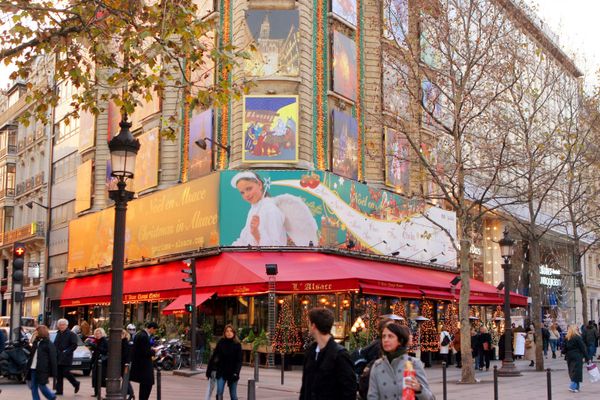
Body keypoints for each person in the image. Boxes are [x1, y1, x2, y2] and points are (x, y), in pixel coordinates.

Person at [230, 171, 317, 247]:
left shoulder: (270, 209)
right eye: (242, 192)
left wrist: (256, 233)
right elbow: (244, 239)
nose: (246, 195)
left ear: (259, 184)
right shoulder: (253, 210)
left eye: (249, 189)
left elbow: (275, 246)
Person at [300, 308, 357, 400]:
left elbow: (349, 390)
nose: (308, 327)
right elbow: (305, 388)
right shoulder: (310, 352)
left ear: (313, 326)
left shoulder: (340, 355)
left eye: (309, 323)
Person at [367, 323, 434, 400]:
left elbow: (430, 397)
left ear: (400, 341)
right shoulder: (377, 366)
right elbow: (372, 396)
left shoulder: (414, 363)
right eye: (383, 336)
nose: (385, 340)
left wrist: (419, 389)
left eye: (390, 336)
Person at [206, 324, 242, 400]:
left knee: (233, 395)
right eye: (227, 331)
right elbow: (214, 357)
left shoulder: (237, 345)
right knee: (219, 393)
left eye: (231, 331)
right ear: (224, 333)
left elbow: (239, 361)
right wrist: (209, 370)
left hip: (233, 373)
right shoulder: (221, 343)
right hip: (221, 371)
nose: (229, 333)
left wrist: (236, 372)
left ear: (234, 333)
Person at [26, 325, 57, 400]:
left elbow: (53, 358)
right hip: (33, 368)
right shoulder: (36, 342)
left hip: (43, 369)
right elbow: (31, 354)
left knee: (42, 386)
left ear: (40, 332)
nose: (35, 332)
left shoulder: (49, 344)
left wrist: (54, 372)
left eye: (36, 331)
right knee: (33, 387)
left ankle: (51, 397)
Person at [130, 321, 158, 400]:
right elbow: (145, 352)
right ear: (151, 328)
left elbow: (141, 349)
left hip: (141, 364)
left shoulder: (140, 334)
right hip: (144, 365)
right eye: (155, 330)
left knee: (144, 385)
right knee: (147, 384)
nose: (154, 332)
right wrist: (154, 351)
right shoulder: (144, 336)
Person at [53, 318, 80, 395]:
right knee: (59, 374)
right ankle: (59, 391)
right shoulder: (58, 333)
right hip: (58, 356)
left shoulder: (71, 334)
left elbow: (74, 345)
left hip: (66, 357)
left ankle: (75, 383)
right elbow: (55, 344)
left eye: (63, 325)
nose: (61, 326)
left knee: (66, 372)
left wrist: (67, 351)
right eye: (60, 325)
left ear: (66, 325)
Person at [564, 324, 589, 393]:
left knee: (572, 371)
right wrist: (587, 358)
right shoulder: (577, 337)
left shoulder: (567, 337)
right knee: (576, 371)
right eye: (577, 329)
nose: (578, 330)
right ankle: (572, 386)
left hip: (569, 356)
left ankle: (576, 387)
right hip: (577, 356)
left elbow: (564, 348)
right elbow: (583, 348)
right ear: (575, 330)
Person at [88, 328, 108, 397]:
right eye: (96, 333)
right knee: (95, 377)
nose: (97, 334)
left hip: (102, 362)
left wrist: (94, 346)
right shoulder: (96, 340)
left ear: (102, 333)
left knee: (101, 378)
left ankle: (105, 393)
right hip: (96, 361)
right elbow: (95, 352)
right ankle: (96, 393)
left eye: (99, 333)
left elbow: (104, 350)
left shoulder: (104, 340)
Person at [121, 329, 134, 400]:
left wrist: (126, 363)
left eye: (122, 334)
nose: (120, 336)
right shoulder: (123, 342)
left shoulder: (125, 342)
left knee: (125, 379)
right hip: (124, 363)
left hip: (125, 364)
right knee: (125, 379)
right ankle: (129, 393)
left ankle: (131, 393)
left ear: (124, 335)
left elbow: (126, 354)